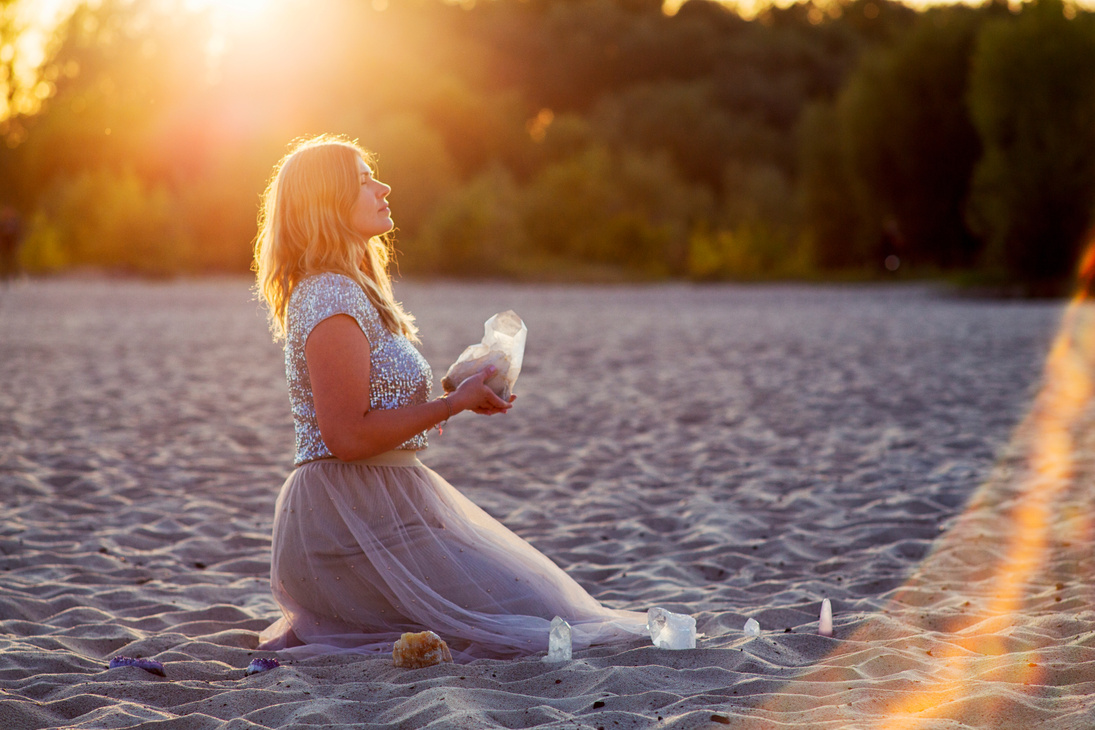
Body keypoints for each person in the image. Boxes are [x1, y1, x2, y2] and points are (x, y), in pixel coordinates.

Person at [252, 134, 649, 661]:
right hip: (344, 522)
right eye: (365, 180)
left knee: (542, 608)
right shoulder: (328, 295)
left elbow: (375, 398)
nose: (384, 187)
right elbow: (346, 436)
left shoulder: (352, 287)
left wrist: (456, 385)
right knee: (530, 621)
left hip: (387, 504)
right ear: (327, 202)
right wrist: (451, 405)